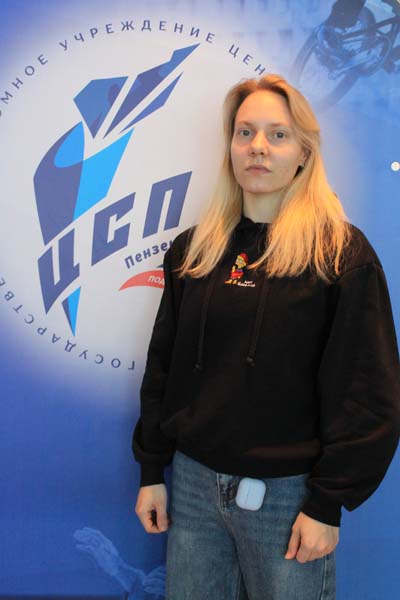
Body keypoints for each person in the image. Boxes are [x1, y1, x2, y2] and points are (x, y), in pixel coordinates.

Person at [132, 73, 400, 599]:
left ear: (303, 153)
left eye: (278, 135)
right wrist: (151, 470)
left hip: (287, 500)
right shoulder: (194, 251)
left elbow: (367, 391)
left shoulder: (339, 255)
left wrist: (327, 504)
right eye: (245, 132)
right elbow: (163, 365)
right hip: (193, 489)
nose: (258, 147)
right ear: (231, 146)